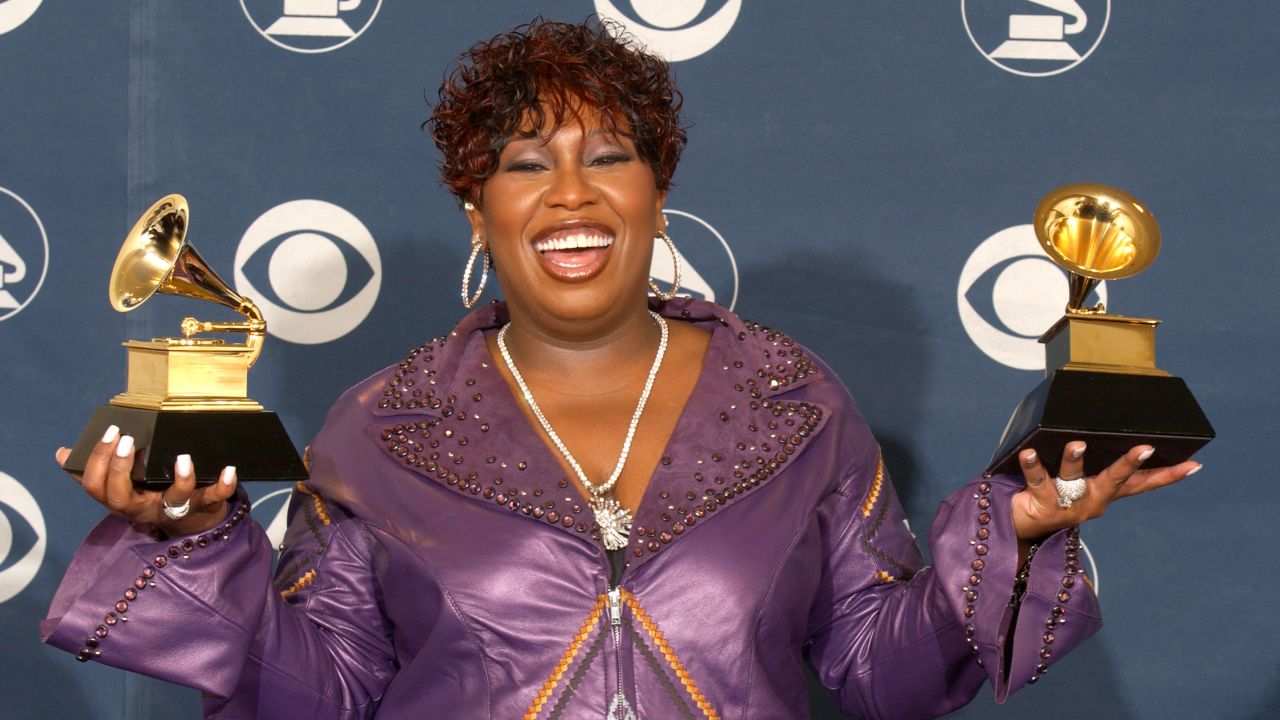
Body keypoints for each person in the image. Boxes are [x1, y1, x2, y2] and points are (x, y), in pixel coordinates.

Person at [41, 18, 1200, 720]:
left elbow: (875, 678)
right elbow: (321, 694)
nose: (570, 193)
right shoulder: (377, 430)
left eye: (609, 156)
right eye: (522, 163)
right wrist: (195, 545)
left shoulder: (794, 404)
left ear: (656, 191)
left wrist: (1018, 531)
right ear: (475, 204)